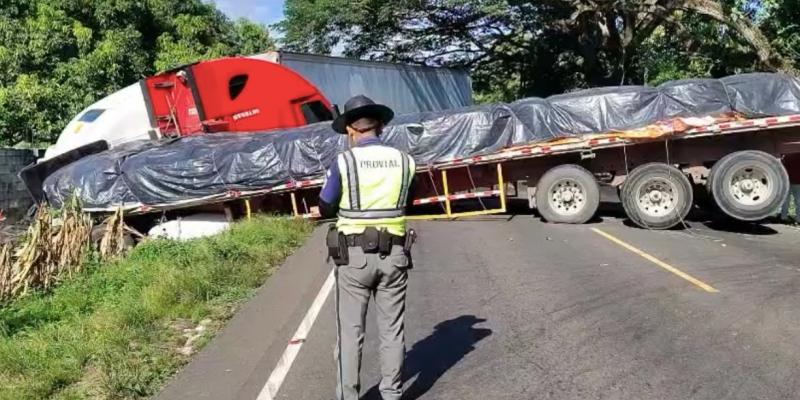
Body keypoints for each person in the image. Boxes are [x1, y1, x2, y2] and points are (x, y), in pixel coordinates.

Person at [319, 95, 416, 400]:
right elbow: (410, 200)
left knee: (350, 333)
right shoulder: (405, 161)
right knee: (392, 330)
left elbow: (325, 206)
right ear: (381, 126)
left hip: (354, 258)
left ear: (350, 129)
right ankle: (392, 394)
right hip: (395, 256)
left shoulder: (344, 162)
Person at [780, 153, 800, 224]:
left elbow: (781, 164)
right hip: (797, 181)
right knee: (798, 201)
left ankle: (784, 217)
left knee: (785, 200)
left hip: (787, 181)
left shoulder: (786, 154)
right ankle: (798, 218)